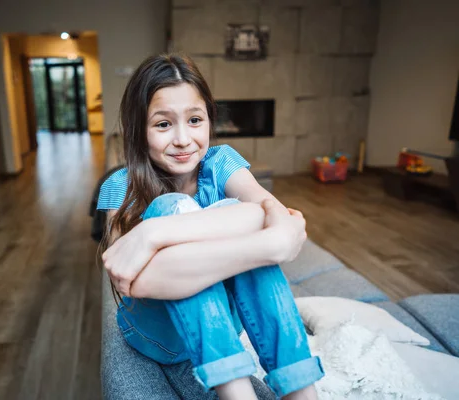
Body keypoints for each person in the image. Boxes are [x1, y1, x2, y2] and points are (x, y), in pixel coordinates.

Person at [97, 53, 324, 400]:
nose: (183, 139)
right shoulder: (119, 186)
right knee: (173, 207)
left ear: (209, 120)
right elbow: (133, 279)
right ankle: (236, 393)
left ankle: (301, 393)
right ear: (137, 131)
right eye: (162, 124)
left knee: (235, 206)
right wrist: (267, 245)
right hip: (155, 333)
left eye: (194, 120)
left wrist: (152, 235)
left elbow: (269, 212)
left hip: (222, 329)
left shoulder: (222, 163)